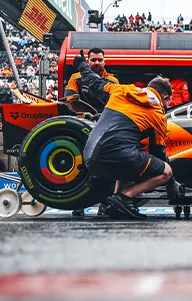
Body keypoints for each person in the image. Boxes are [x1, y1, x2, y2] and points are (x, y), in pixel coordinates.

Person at [73, 50, 177, 220]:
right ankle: (125, 197)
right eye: (168, 102)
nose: (167, 106)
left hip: (90, 157)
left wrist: (82, 65)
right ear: (164, 97)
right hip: (114, 155)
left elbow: (94, 82)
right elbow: (159, 151)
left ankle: (114, 205)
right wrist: (171, 182)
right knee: (164, 171)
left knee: (130, 158)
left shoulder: (121, 89)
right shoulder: (157, 113)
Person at [65, 47, 118, 217]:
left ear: (105, 62)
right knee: (80, 168)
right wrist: (84, 113)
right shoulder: (75, 78)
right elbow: (69, 100)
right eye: (93, 60)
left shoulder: (112, 80)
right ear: (87, 62)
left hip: (105, 129)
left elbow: (110, 100)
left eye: (99, 60)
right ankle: (78, 203)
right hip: (81, 128)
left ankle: (105, 203)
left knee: (107, 166)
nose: (97, 63)